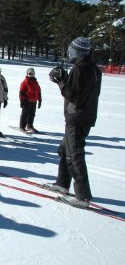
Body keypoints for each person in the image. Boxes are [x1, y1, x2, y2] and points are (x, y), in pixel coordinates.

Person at [48, 37, 102, 208]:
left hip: (76, 117)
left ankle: (82, 196)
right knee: (65, 149)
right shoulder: (94, 69)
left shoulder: (79, 70)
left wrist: (61, 81)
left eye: (71, 49)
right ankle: (62, 183)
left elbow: (71, 94)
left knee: (74, 155)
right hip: (85, 116)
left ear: (76, 52)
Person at [19, 68, 42, 133]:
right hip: (27, 101)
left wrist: (39, 100)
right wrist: (22, 101)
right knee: (25, 114)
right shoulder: (25, 82)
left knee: (32, 114)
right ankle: (22, 126)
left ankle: (29, 126)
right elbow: (21, 92)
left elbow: (38, 92)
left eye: (32, 73)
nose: (31, 75)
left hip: (33, 101)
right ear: (27, 74)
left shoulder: (36, 82)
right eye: (30, 73)